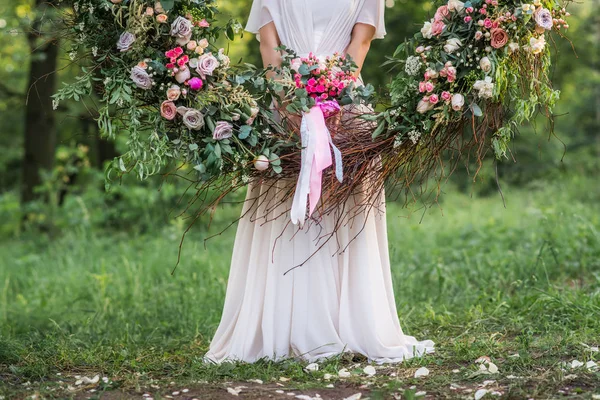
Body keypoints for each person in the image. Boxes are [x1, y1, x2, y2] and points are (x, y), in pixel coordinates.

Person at [205, 0, 435, 363]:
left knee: (342, 205)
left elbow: (356, 45)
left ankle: (342, 325)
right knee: (289, 203)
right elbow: (273, 46)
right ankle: (292, 327)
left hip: (339, 105)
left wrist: (317, 101)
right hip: (295, 103)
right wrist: (296, 104)